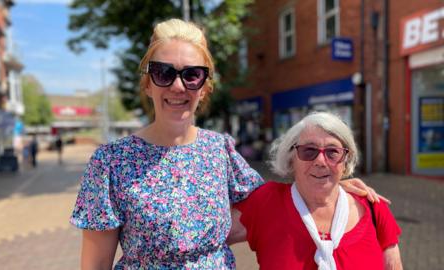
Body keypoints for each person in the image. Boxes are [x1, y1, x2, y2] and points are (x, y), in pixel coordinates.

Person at [70, 19, 383, 270]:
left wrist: (330, 187)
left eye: (192, 75)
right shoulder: (111, 161)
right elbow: (96, 263)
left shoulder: (219, 150)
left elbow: (271, 204)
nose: (178, 85)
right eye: (163, 72)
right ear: (147, 83)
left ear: (204, 88)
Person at [232, 111, 403, 270]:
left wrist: (332, 185)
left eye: (332, 152)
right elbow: (208, 236)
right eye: (309, 151)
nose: (321, 161)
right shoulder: (267, 202)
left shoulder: (373, 207)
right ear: (292, 160)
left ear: (345, 161)